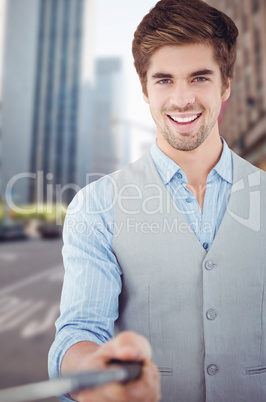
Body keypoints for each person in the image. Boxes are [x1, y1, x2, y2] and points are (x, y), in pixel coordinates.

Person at [48, 0, 266, 401]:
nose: (181, 99)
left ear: (227, 84)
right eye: (164, 80)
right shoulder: (96, 205)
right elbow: (79, 332)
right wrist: (93, 371)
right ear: (145, 90)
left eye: (199, 78)